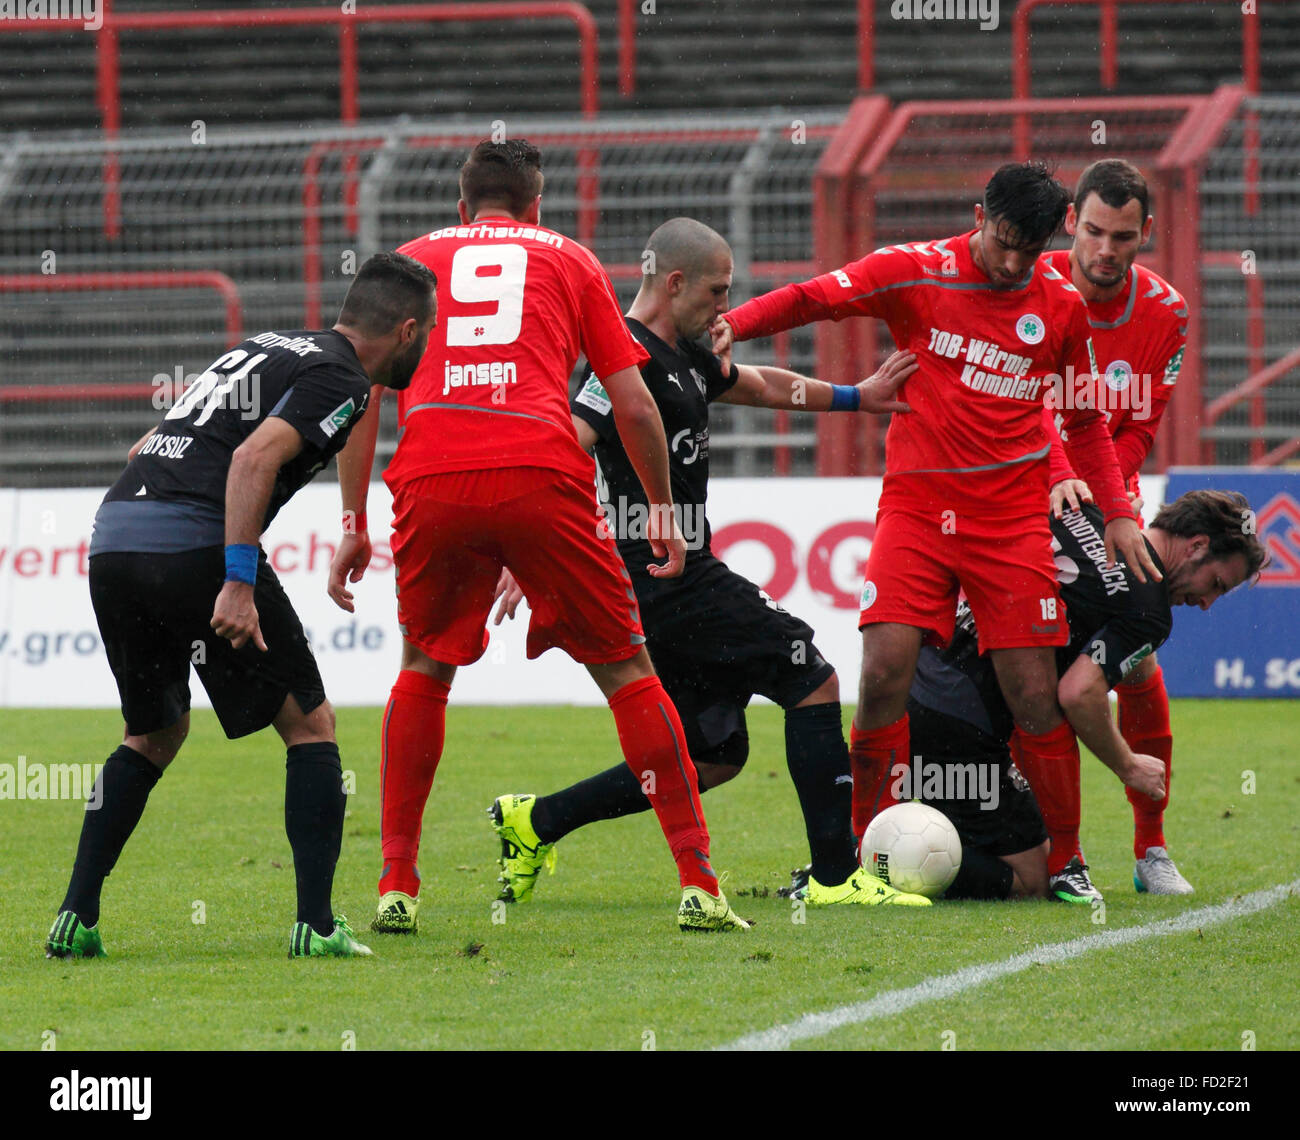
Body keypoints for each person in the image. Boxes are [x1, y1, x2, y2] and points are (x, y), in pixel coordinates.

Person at [328, 142, 749, 934]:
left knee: (422, 669)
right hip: (538, 466)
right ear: (535, 208)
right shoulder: (571, 258)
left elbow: (356, 398)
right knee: (627, 668)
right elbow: (632, 400)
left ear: (463, 208)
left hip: (433, 474)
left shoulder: (408, 262)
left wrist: (351, 524)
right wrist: (660, 505)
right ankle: (697, 882)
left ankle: (396, 886)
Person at [711, 162, 1155, 864]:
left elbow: (1085, 420)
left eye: (1029, 248)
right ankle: (859, 853)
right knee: (883, 673)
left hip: (1010, 524)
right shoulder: (915, 271)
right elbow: (814, 297)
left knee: (1034, 696)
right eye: (1004, 239)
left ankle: (1067, 861)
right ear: (979, 215)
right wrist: (730, 325)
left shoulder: (1061, 307)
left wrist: (1119, 512)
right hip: (917, 511)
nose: (1013, 261)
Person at [487, 217, 930, 908]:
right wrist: (528, 546)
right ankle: (836, 878)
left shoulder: (687, 352)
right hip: (665, 573)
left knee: (711, 756)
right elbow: (570, 441)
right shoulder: (620, 356)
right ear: (674, 283)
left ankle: (536, 820)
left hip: (675, 572)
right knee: (810, 675)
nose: (726, 306)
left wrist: (854, 398)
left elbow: (754, 384)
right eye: (717, 291)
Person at [45, 251, 439, 960]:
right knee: (311, 727)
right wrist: (235, 580)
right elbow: (253, 459)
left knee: (153, 734)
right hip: (194, 544)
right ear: (407, 329)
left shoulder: (265, 348)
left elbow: (150, 442)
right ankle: (317, 927)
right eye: (429, 336)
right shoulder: (340, 376)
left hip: (115, 538)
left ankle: (76, 917)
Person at [879, 490, 1264, 901]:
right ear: (1197, 546)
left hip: (917, 691)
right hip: (964, 732)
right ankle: (876, 864)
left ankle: (875, 846)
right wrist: (1128, 764)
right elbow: (1079, 692)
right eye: (1216, 585)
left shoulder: (1082, 512)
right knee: (1032, 878)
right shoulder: (1149, 611)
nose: (1206, 603)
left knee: (961, 821)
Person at [1035, 159, 1194, 897]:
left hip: (1105, 498)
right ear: (1071, 221)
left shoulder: (1167, 313)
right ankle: (1059, 852)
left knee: (1135, 659)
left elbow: (1137, 430)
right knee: (1020, 666)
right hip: (1016, 489)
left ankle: (1150, 848)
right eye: (1094, 231)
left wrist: (1102, 503)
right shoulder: (1026, 290)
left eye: (1122, 237)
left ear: (1145, 235)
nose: (1105, 249)